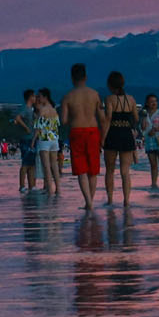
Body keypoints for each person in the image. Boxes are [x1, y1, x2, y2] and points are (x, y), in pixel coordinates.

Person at [59, 63, 105, 209]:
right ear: (85, 77)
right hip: (93, 131)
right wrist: (103, 137)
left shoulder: (67, 97)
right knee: (93, 169)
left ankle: (89, 202)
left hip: (77, 131)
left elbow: (64, 120)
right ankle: (90, 201)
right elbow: (102, 118)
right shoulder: (95, 94)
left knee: (81, 169)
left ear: (72, 78)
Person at [99, 70, 138, 207]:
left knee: (110, 170)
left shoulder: (109, 99)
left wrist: (102, 138)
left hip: (113, 134)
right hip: (126, 134)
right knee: (125, 172)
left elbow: (108, 119)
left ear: (110, 85)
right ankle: (126, 200)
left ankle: (110, 200)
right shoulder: (131, 99)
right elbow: (136, 118)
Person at [34, 90, 61, 197]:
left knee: (46, 166)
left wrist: (33, 141)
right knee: (54, 165)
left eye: (39, 96)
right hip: (54, 139)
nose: (38, 99)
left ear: (45, 97)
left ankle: (49, 190)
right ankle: (58, 189)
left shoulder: (42, 110)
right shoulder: (54, 110)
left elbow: (38, 128)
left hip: (44, 140)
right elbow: (57, 125)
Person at [13, 89, 39, 192]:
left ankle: (32, 185)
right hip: (26, 139)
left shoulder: (31, 109)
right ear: (30, 97)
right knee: (25, 163)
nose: (35, 98)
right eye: (34, 96)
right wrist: (26, 128)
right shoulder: (25, 108)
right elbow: (17, 118)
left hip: (31, 138)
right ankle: (22, 185)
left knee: (32, 164)